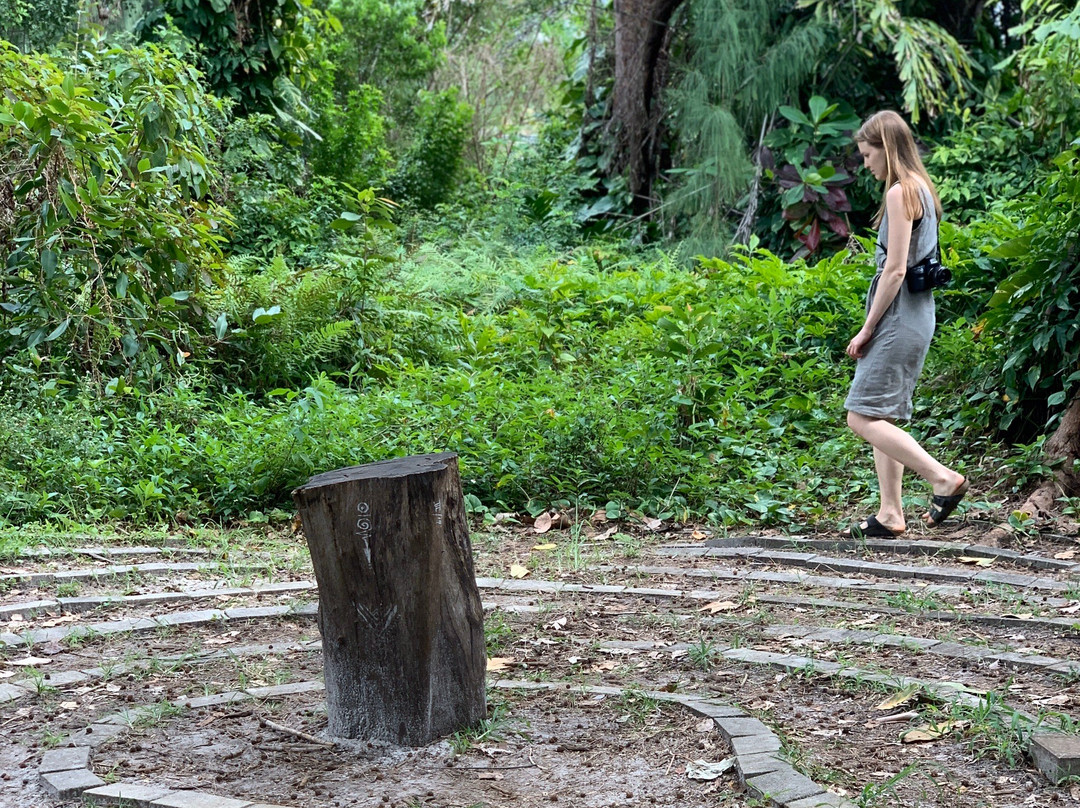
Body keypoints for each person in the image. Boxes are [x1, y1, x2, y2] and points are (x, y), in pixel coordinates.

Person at [843, 110, 967, 537]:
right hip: (919, 313)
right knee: (881, 414)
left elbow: (895, 270)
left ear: (886, 148)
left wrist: (866, 328)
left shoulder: (899, 193)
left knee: (859, 417)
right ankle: (890, 513)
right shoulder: (923, 191)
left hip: (897, 317)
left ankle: (941, 478)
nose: (866, 164)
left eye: (867, 154)